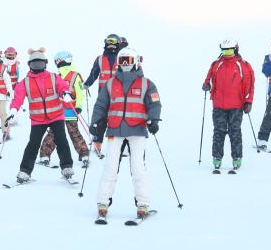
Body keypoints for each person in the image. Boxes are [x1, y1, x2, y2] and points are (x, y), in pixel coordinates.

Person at [89, 47, 162, 223]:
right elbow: (100, 105)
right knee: (110, 167)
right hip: (115, 130)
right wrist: (96, 123)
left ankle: (142, 204)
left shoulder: (146, 83)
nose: (125, 64)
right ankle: (102, 203)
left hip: (137, 131)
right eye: (122, 61)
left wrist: (154, 120)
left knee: (138, 168)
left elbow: (154, 104)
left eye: (128, 61)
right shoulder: (110, 84)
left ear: (136, 61)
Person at [9, 48, 74, 183]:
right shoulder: (25, 82)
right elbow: (17, 99)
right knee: (33, 144)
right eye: (34, 64)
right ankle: (25, 171)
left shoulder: (53, 77)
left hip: (56, 115)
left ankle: (67, 167)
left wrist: (66, 93)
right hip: (38, 119)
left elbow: (62, 87)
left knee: (62, 141)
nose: (37, 67)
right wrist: (13, 110)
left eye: (40, 64)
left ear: (46, 63)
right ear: (29, 65)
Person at [202, 39, 254, 172]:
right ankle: (217, 158)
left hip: (236, 105)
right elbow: (208, 78)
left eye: (229, 50)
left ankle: (237, 158)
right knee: (218, 132)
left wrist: (248, 101)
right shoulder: (216, 64)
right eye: (224, 51)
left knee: (234, 131)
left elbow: (250, 85)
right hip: (219, 104)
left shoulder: (243, 65)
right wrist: (206, 84)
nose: (226, 54)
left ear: (236, 49)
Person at [38, 51, 89, 168]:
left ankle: (84, 153)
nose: (57, 63)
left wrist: (79, 106)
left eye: (57, 61)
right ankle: (45, 155)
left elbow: (80, 93)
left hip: (71, 109)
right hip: (58, 111)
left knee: (73, 132)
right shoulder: (57, 76)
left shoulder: (75, 75)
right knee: (54, 133)